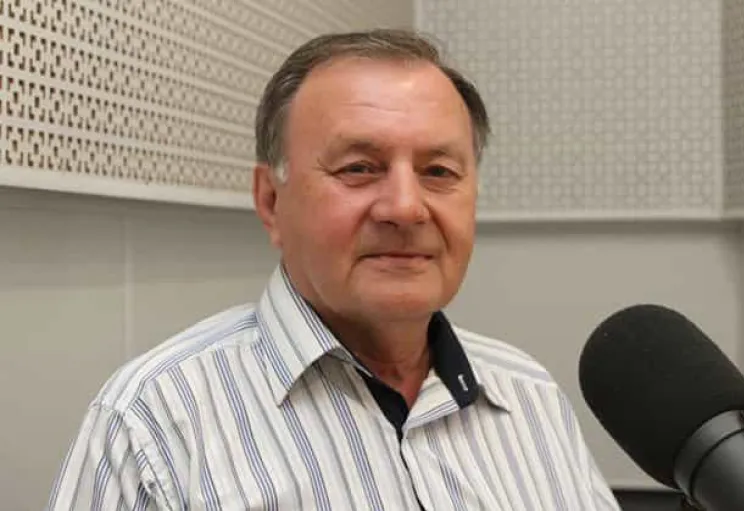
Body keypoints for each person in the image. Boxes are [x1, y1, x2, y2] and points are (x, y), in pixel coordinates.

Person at [48, 29, 620, 510]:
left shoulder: (530, 396)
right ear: (271, 201)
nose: (405, 208)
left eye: (439, 172)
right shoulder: (155, 424)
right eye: (359, 168)